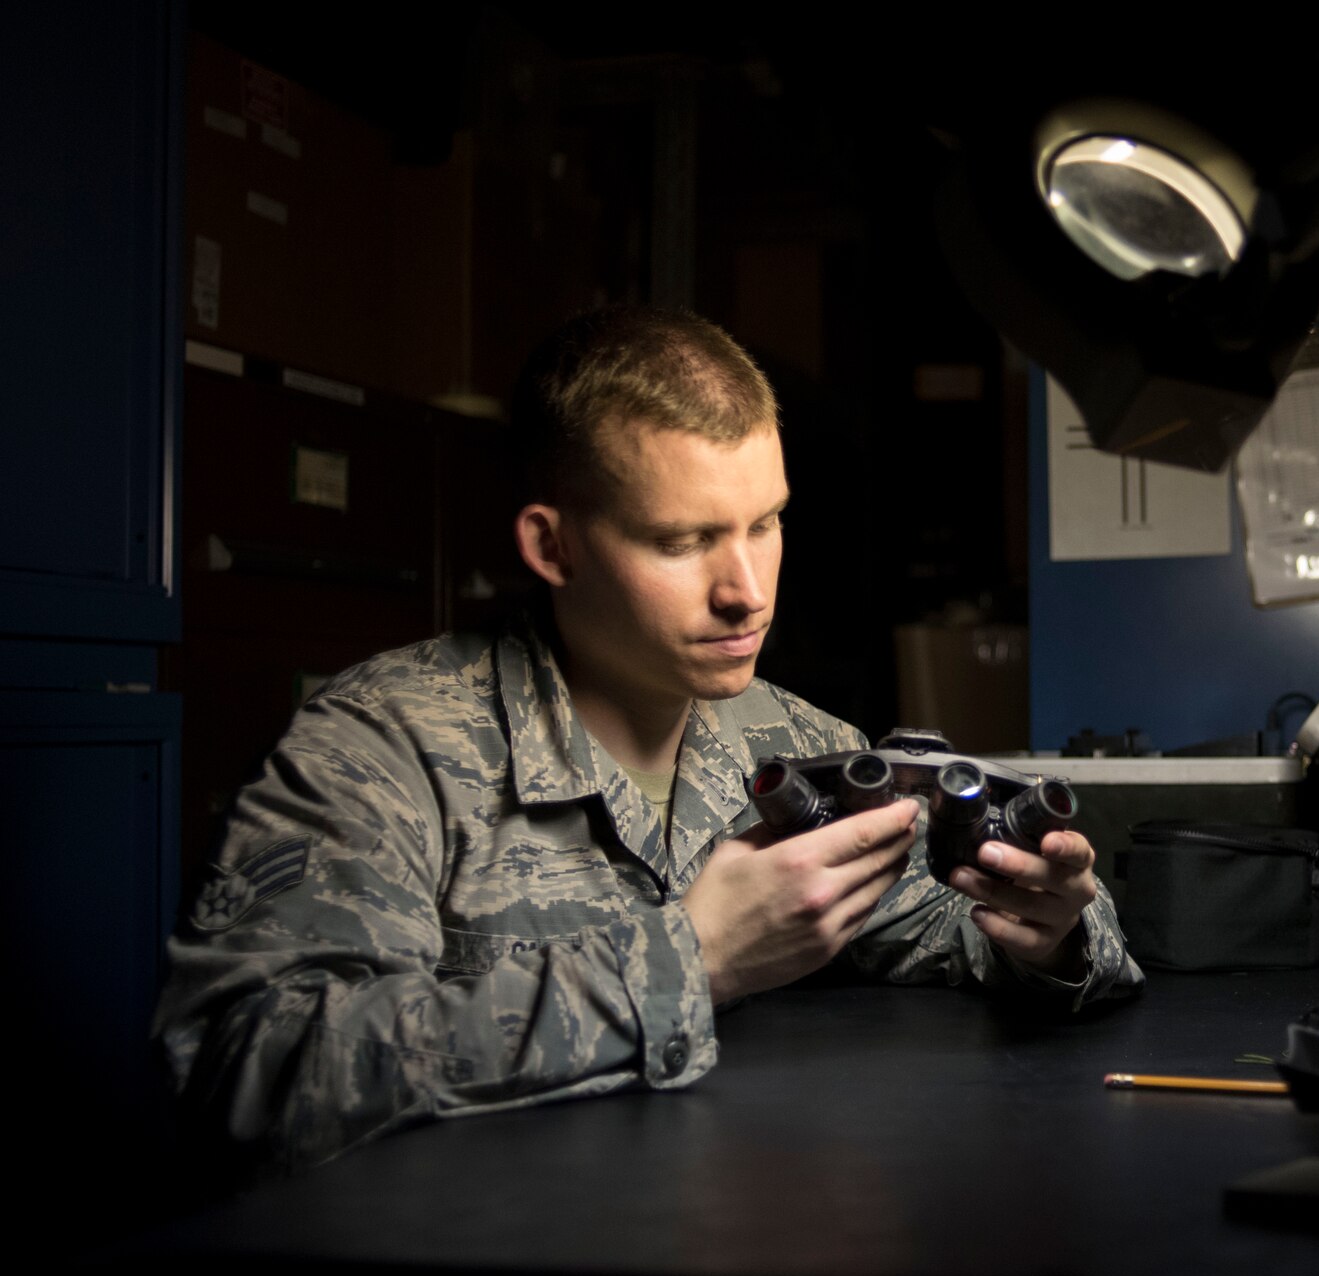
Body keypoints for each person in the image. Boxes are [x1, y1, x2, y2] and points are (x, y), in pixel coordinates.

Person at [155, 306, 1144, 1170]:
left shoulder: (794, 740)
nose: (745, 591)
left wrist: (1051, 930)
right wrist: (692, 958)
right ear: (553, 546)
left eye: (765, 524)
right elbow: (246, 1074)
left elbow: (961, 930)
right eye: (683, 541)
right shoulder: (382, 750)